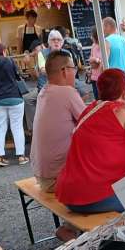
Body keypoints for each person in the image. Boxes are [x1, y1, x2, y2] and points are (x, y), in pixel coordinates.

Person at [56, 69, 125, 213]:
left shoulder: (89, 110)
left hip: (69, 196)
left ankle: (70, 228)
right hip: (97, 197)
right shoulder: (120, 111)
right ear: (124, 90)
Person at [30, 50, 87, 192]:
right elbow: (90, 122)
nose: (75, 72)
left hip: (41, 174)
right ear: (64, 71)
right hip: (58, 178)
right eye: (73, 68)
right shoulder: (67, 92)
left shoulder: (44, 92)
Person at [0, 42, 28, 167]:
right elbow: (17, 76)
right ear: (3, 51)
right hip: (14, 97)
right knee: (17, 127)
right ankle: (21, 156)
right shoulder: (9, 61)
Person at [88, 27, 103, 100]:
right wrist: (95, 59)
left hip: (101, 78)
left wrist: (95, 60)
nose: (91, 37)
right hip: (94, 77)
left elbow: (101, 61)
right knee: (97, 99)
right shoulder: (93, 45)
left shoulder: (103, 45)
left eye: (92, 35)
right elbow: (90, 58)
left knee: (102, 99)